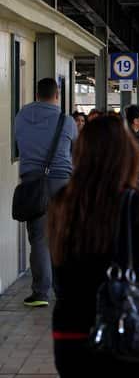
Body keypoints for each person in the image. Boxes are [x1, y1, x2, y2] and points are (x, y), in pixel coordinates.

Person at [48, 116, 139, 377]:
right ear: (125, 153)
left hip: (71, 332)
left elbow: (59, 267)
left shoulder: (61, 202)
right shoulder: (134, 204)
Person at [14, 78, 78, 307]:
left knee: (39, 239)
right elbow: (75, 149)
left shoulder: (21, 116)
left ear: (37, 93)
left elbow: (18, 144)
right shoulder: (67, 120)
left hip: (33, 183)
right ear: (57, 94)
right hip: (61, 182)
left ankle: (40, 293)